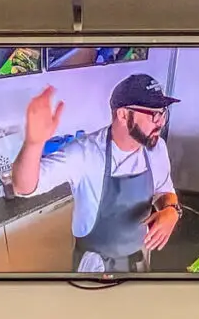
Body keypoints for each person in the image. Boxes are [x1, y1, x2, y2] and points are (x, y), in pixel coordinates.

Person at [12, 74, 183, 273]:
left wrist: (172, 211)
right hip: (95, 267)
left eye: (163, 113)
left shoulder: (156, 147)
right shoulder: (86, 153)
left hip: (140, 259)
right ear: (123, 114)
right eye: (153, 114)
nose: (160, 122)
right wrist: (34, 143)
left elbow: (164, 189)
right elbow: (23, 187)